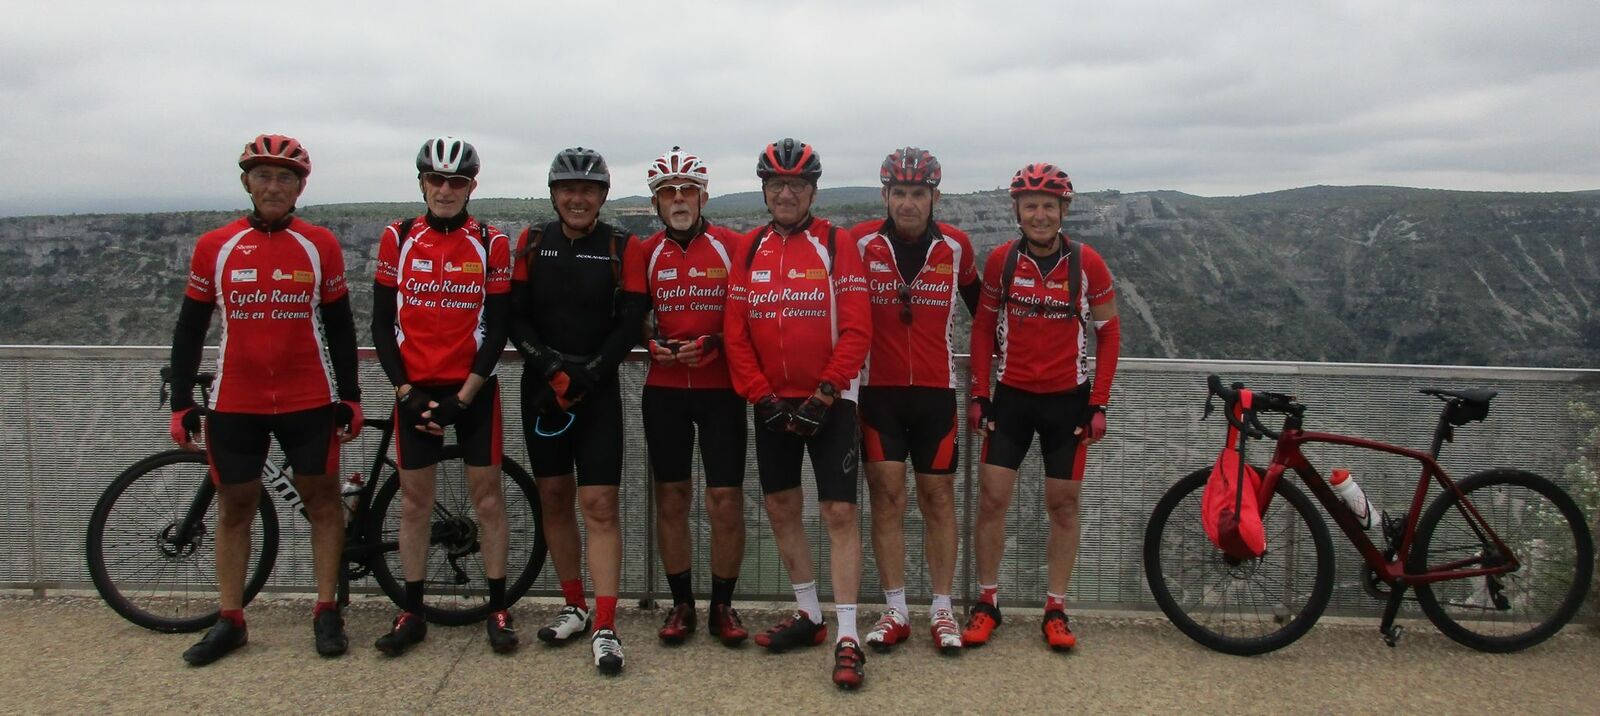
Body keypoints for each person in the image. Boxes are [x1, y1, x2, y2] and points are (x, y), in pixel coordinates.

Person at [167, 134, 363, 666]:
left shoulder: (320, 243)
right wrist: (181, 401)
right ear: (246, 182)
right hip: (236, 400)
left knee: (323, 504)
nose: (274, 186)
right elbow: (190, 327)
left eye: (285, 177)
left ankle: (327, 610)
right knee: (235, 508)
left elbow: (341, 326)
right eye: (263, 176)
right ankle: (230, 620)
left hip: (308, 396)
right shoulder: (216, 245)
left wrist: (350, 396)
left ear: (300, 187)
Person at [724, 138, 872, 689]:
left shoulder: (835, 242)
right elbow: (735, 332)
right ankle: (810, 614)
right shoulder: (749, 248)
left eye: (797, 185)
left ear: (812, 191)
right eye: (777, 185)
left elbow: (857, 327)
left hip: (831, 401)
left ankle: (848, 634)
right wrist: (760, 395)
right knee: (781, 507)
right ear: (765, 190)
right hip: (771, 400)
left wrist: (826, 394)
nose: (786, 194)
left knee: (839, 512)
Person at [964, 163, 1122, 651]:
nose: (1039, 214)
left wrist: (1098, 403)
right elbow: (983, 329)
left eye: (1048, 206)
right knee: (992, 501)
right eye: (1030, 205)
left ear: (1063, 210)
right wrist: (979, 393)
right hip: (1011, 398)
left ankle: (1055, 608)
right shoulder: (1001, 261)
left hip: (1066, 401)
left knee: (1063, 505)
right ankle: (987, 602)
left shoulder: (1087, 263)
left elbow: (1109, 333)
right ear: (1017, 210)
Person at [369, 136, 516, 656]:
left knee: (488, 500)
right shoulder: (398, 236)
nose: (446, 190)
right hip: (414, 390)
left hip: (472, 391)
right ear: (422, 183)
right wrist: (405, 391)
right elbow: (381, 326)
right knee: (414, 503)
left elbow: (498, 329)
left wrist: (465, 397)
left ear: (471, 186)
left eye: (457, 181)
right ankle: (412, 611)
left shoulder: (492, 241)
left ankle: (498, 608)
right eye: (437, 179)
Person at [510, 147, 649, 675]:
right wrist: (551, 369)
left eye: (587, 190)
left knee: (600, 504)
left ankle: (606, 624)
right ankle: (574, 605)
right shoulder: (531, 241)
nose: (577, 198)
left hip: (597, 391)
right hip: (542, 387)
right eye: (567, 189)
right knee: (553, 497)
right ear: (554, 195)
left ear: (602, 196)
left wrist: (586, 374)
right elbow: (515, 317)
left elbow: (630, 321)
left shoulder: (621, 245)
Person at [848, 147, 979, 655]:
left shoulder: (957, 246)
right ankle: (896, 609)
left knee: (938, 499)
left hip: (936, 392)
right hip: (877, 392)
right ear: (885, 195)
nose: (908, 203)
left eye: (918, 193)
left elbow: (986, 314)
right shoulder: (860, 242)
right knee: (887, 499)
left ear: (934, 197)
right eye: (899, 192)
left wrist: (986, 387)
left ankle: (942, 609)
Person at [621, 147, 750, 647]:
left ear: (703, 197)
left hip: (721, 390)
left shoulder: (733, 246)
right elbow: (637, 314)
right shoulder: (644, 251)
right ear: (656, 202)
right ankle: (681, 604)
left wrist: (716, 342)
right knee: (672, 498)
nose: (678, 199)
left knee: (725, 500)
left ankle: (722, 605)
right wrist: (649, 341)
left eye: (687, 191)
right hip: (665, 390)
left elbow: (749, 315)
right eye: (668, 192)